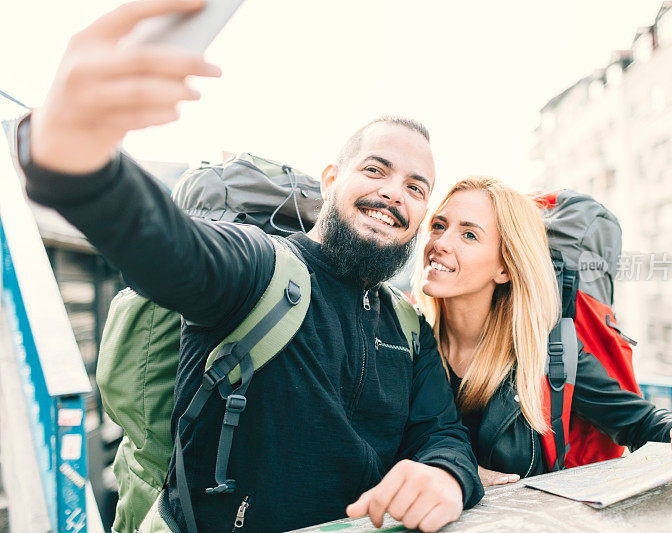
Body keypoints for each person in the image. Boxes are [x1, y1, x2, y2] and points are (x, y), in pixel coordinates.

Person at [15, 1, 483, 531]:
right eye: (376, 169)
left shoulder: (407, 326)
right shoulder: (261, 268)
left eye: (415, 188)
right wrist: (72, 159)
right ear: (331, 179)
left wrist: (445, 474)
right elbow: (172, 248)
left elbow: (442, 432)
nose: (393, 194)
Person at [414, 176, 672, 487]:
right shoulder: (401, 341)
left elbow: (637, 421)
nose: (440, 242)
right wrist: (454, 469)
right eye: (439, 226)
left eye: (468, 234)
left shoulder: (550, 352)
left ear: (504, 268)